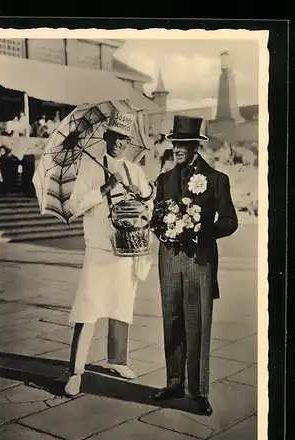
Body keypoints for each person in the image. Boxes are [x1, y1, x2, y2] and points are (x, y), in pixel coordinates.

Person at [150, 116, 238, 416]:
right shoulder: (163, 180)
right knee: (171, 320)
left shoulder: (216, 180)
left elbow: (229, 222)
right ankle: (174, 383)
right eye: (174, 143)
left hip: (199, 259)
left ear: (195, 146)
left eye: (183, 144)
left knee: (197, 323)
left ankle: (199, 392)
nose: (177, 148)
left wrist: (199, 230)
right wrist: (163, 227)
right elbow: (156, 219)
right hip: (169, 259)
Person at [64, 111, 154, 397]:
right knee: (88, 308)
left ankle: (118, 361)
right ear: (106, 137)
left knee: (122, 305)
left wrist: (142, 193)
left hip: (128, 247)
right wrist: (105, 188)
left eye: (124, 139)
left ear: (129, 142)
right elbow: (75, 206)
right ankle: (76, 371)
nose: (119, 143)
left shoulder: (134, 168)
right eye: (115, 137)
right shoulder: (88, 168)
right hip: (99, 249)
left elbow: (148, 204)